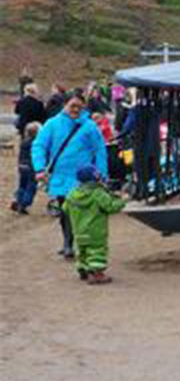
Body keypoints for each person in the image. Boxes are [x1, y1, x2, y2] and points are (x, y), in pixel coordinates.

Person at [32, 92, 108, 259]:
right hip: (60, 177)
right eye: (72, 106)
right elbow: (39, 145)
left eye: (79, 107)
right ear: (64, 105)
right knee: (65, 211)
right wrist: (39, 168)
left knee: (78, 211)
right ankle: (68, 241)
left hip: (83, 178)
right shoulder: (52, 124)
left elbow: (100, 151)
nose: (76, 110)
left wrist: (102, 174)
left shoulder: (90, 127)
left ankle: (72, 243)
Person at [63, 164, 127, 284]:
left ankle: (83, 269)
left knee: (82, 250)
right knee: (97, 251)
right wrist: (122, 201)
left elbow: (65, 208)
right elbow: (110, 207)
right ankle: (96, 274)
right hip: (96, 230)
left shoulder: (72, 194)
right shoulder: (97, 193)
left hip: (78, 230)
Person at [10, 122, 41, 214]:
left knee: (22, 184)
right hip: (31, 167)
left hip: (22, 165)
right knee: (31, 186)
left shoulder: (24, 142)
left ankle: (18, 199)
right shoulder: (36, 143)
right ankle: (23, 204)